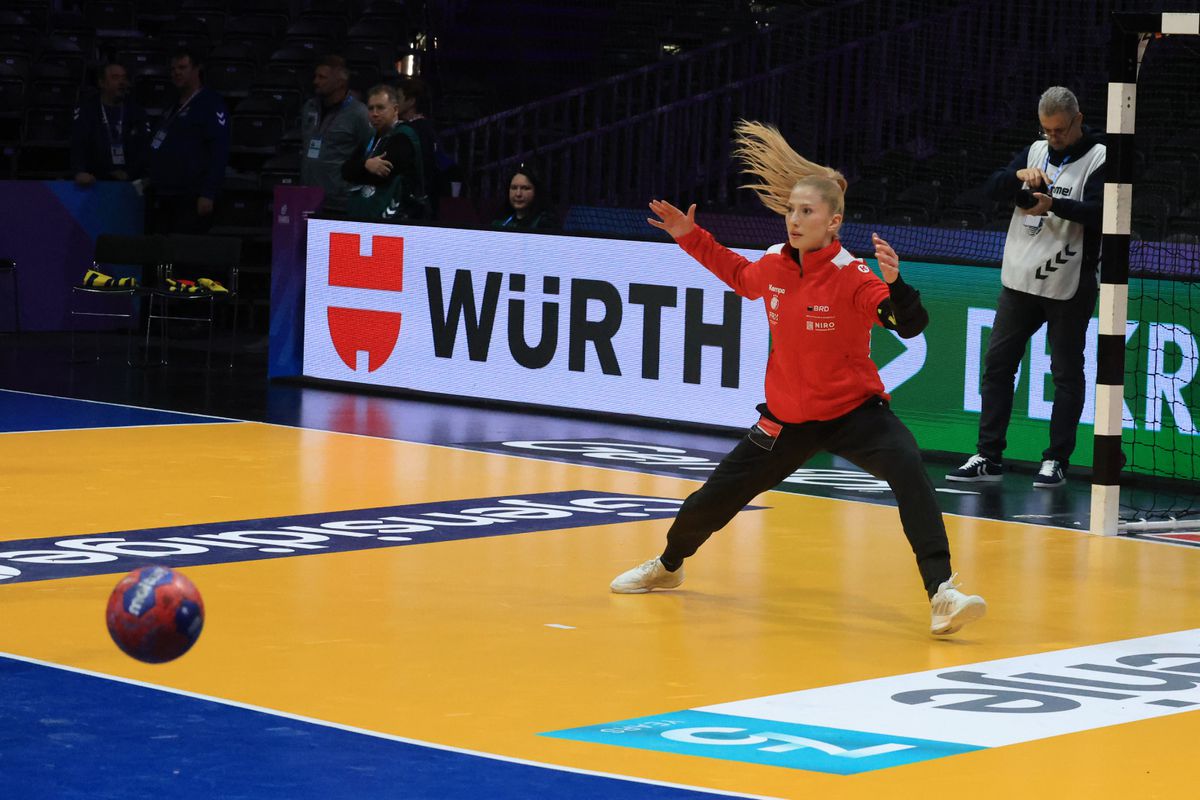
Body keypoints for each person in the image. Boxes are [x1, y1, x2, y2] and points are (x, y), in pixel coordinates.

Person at [610, 121, 986, 636]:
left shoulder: (854, 276)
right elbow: (737, 275)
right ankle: (668, 567)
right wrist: (688, 236)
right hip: (787, 418)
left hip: (855, 414)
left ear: (833, 222)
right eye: (790, 209)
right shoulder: (773, 265)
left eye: (805, 211)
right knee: (712, 500)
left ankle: (942, 592)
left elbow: (907, 324)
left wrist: (898, 286)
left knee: (909, 470)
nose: (793, 219)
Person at [947, 87, 1105, 489]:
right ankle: (988, 455)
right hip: (1019, 282)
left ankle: (1056, 461)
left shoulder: (1100, 158)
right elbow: (991, 187)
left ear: (1078, 120)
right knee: (998, 367)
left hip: (1069, 284)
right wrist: (1018, 176)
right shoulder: (1034, 152)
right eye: (1047, 129)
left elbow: (1100, 214)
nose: (1053, 137)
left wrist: (1052, 204)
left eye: (1060, 129)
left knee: (1066, 374)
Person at [144, 48, 230, 234]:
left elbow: (219, 151)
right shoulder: (171, 104)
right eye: (174, 69)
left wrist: (208, 192)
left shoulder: (210, 103)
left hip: (192, 196)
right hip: (165, 193)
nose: (176, 72)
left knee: (186, 255)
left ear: (197, 69)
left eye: (182, 67)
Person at [300, 55, 372, 217]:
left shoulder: (359, 113)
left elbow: (371, 150)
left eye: (322, 77)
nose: (316, 81)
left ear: (340, 82)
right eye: (316, 76)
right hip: (307, 196)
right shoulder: (309, 107)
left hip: (339, 202)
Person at [341, 84, 423, 222]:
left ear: (395, 109)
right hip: (367, 214)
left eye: (380, 108)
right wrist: (366, 165)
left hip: (396, 219)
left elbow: (381, 176)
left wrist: (359, 170)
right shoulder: (369, 138)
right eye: (371, 108)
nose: (374, 113)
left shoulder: (403, 136)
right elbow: (345, 171)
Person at [71, 62, 151, 187]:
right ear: (102, 83)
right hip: (95, 181)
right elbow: (78, 144)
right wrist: (79, 171)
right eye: (115, 78)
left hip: (130, 182)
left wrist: (129, 173)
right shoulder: (87, 110)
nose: (122, 82)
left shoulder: (136, 111)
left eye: (123, 78)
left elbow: (144, 147)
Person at [397, 76, 437, 219]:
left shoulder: (413, 130)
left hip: (412, 207)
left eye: (399, 98)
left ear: (411, 101)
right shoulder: (426, 127)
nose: (394, 103)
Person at [491, 163, 558, 230]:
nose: (518, 194)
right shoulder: (499, 224)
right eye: (514, 188)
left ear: (536, 191)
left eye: (525, 188)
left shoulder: (546, 223)